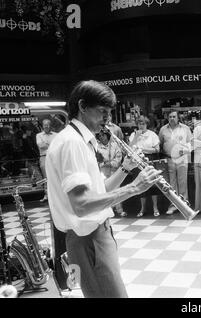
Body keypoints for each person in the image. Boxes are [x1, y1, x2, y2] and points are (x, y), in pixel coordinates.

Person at [45, 80, 162, 298]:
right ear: (82, 106)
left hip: (94, 236)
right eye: (102, 112)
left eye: (109, 112)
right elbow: (81, 206)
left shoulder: (80, 140)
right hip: (89, 239)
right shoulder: (73, 143)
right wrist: (134, 188)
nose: (107, 119)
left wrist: (126, 169)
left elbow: (99, 192)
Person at [159, 111, 192, 215]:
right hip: (169, 159)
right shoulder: (163, 129)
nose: (172, 118)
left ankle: (184, 205)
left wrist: (185, 151)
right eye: (170, 116)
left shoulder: (185, 128)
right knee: (172, 184)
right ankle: (173, 205)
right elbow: (160, 143)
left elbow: (190, 143)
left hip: (182, 158)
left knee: (182, 182)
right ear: (167, 118)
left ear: (178, 118)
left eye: (174, 116)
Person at [129, 116, 161, 217]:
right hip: (137, 161)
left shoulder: (152, 134)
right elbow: (130, 148)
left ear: (147, 124)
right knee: (140, 183)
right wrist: (136, 137)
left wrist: (142, 149)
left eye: (143, 123)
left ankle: (155, 207)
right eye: (139, 123)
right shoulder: (133, 134)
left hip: (150, 160)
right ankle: (143, 208)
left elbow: (157, 149)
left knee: (153, 183)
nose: (141, 125)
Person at [97, 130, 126, 217]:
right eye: (99, 135)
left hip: (114, 171)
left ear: (107, 136)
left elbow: (117, 161)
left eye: (103, 135)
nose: (101, 137)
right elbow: (97, 161)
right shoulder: (97, 147)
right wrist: (103, 164)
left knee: (117, 190)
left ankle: (119, 210)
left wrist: (106, 163)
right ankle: (107, 210)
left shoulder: (115, 146)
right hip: (102, 173)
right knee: (104, 191)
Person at [36, 119, 57, 202]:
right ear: (42, 125)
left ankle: (56, 196)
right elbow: (41, 145)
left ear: (50, 125)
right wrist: (52, 144)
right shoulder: (38, 135)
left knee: (56, 176)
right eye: (45, 125)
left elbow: (58, 145)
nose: (46, 126)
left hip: (54, 157)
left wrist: (47, 144)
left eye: (48, 124)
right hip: (44, 157)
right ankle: (47, 195)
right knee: (45, 178)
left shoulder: (56, 135)